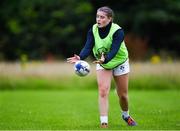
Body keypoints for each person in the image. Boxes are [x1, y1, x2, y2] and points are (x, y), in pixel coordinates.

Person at [67, 6, 137, 128]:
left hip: (119, 61)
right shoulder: (93, 30)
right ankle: (104, 122)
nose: (98, 19)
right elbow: (88, 46)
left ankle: (126, 115)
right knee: (103, 91)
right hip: (102, 62)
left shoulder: (118, 31)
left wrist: (106, 58)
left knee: (123, 95)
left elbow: (114, 50)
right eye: (97, 16)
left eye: (102, 17)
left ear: (110, 19)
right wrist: (81, 57)